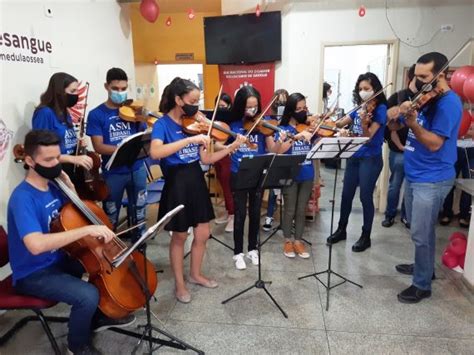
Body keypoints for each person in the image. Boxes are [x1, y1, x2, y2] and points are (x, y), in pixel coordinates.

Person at [8, 130, 134, 355]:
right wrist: (86, 230)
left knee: (101, 269)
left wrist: (69, 185)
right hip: (33, 272)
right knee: (88, 295)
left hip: (58, 258)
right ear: (29, 160)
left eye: (58, 158)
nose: (55, 164)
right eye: (48, 160)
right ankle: (77, 346)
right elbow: (35, 245)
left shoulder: (53, 185)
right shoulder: (22, 198)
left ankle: (94, 318)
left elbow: (74, 213)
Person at [150, 77, 245, 303]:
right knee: (180, 236)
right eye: (192, 100)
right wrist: (188, 142)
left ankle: (195, 274)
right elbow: (156, 153)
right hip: (177, 183)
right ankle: (179, 285)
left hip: (195, 179)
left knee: (203, 233)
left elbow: (206, 157)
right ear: (178, 99)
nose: (197, 107)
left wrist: (231, 147)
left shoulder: (193, 123)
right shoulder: (162, 125)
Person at [388, 52, 462, 303]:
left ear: (440, 75)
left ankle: (422, 284)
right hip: (415, 174)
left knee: (420, 232)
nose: (418, 81)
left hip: (432, 178)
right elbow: (395, 127)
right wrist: (398, 113)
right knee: (420, 230)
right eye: (416, 76)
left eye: (423, 76)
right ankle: (425, 267)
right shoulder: (425, 99)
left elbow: (433, 143)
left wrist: (413, 123)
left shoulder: (448, 103)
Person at [326, 72, 388, 252]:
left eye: (367, 89)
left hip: (370, 158)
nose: (363, 92)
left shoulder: (380, 109)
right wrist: (326, 122)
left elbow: (368, 137)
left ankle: (365, 235)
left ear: (375, 89)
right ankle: (341, 229)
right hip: (354, 157)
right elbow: (341, 123)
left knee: (365, 197)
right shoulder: (361, 107)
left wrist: (363, 122)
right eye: (360, 89)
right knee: (346, 195)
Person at [86, 68, 147, 239]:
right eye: (116, 88)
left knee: (140, 212)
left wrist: (142, 119)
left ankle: (140, 246)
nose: (120, 93)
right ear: (107, 86)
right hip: (113, 172)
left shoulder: (133, 110)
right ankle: (111, 251)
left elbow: (142, 136)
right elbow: (98, 146)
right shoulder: (96, 114)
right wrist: (124, 149)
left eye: (123, 89)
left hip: (137, 169)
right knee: (110, 215)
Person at [228, 86, 275, 269]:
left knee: (256, 214)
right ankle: (238, 252)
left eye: (255, 107)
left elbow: (272, 149)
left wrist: (278, 139)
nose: (252, 111)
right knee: (240, 215)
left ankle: (252, 249)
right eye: (248, 107)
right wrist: (231, 147)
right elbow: (218, 146)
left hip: (258, 173)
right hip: (238, 172)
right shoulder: (233, 124)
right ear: (241, 106)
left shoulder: (264, 123)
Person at [270, 93, 315, 259]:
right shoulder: (283, 129)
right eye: (298, 109)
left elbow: (317, 145)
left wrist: (317, 138)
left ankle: (298, 240)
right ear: (290, 110)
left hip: (307, 172)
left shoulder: (308, 127)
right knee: (289, 209)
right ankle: (287, 240)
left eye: (304, 108)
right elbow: (277, 150)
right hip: (290, 174)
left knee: (301, 209)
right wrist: (296, 137)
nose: (302, 112)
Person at [32, 72, 93, 178]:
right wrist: (72, 159)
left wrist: (78, 145)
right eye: (72, 91)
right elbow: (42, 152)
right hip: (55, 170)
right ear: (60, 92)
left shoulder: (64, 110)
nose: (76, 95)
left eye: (77, 91)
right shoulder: (45, 113)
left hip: (71, 169)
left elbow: (65, 141)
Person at [381, 65, 416, 228]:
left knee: (411, 186)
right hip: (399, 150)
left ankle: (407, 216)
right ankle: (390, 214)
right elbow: (387, 126)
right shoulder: (397, 97)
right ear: (410, 78)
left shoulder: (427, 101)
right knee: (395, 184)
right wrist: (400, 146)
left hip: (417, 152)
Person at [263, 88, 289, 232]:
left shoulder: (288, 120)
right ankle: (269, 215)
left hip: (286, 155)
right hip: (273, 156)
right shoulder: (268, 119)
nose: (281, 103)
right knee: (273, 187)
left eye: (284, 101)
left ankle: (287, 217)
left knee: (286, 186)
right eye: (278, 101)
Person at [439, 135, 474, 228]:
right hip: (453, 148)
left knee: (469, 183)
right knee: (449, 181)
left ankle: (464, 215)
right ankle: (446, 213)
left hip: (472, 149)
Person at [213, 92, 235, 233]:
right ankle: (228, 212)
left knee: (229, 188)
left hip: (228, 156)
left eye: (223, 106)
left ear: (229, 106)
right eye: (218, 106)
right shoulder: (214, 121)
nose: (221, 109)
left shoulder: (233, 121)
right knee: (223, 186)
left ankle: (233, 216)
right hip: (217, 156)